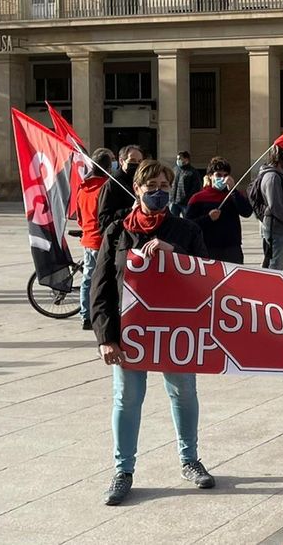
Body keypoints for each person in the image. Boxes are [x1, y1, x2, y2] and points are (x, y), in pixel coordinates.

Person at [90, 160, 215, 506]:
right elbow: (100, 287)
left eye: (164, 185)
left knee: (184, 392)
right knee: (127, 399)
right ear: (138, 189)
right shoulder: (117, 231)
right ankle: (123, 471)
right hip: (129, 333)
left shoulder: (185, 230)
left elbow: (206, 275)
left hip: (174, 330)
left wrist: (174, 255)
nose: (158, 192)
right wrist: (105, 337)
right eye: (151, 186)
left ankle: (190, 461)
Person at [73, 148, 116, 326]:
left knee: (88, 279)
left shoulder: (83, 188)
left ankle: (86, 315)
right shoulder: (106, 188)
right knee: (105, 279)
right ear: (107, 167)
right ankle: (102, 313)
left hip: (88, 239)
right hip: (102, 239)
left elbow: (79, 218)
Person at [185, 157, 252, 265]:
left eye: (225, 175)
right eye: (218, 175)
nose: (223, 178)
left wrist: (233, 190)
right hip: (208, 248)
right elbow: (188, 225)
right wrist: (208, 219)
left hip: (232, 248)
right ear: (210, 176)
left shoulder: (232, 196)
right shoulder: (197, 198)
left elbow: (247, 212)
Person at [252, 147, 283, 271]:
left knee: (276, 264)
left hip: (281, 228)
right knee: (275, 266)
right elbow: (275, 206)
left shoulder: (278, 175)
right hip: (278, 229)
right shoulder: (272, 177)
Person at [97, 144, 144, 233]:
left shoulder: (140, 182)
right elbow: (104, 218)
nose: (136, 164)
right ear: (122, 161)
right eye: (132, 160)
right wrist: (130, 210)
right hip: (119, 237)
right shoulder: (112, 183)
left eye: (139, 161)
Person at [170, 151, 202, 218]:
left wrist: (188, 199)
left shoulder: (193, 172)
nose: (178, 160)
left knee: (187, 219)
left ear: (186, 159)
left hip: (185, 203)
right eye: (177, 159)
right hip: (174, 201)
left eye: (180, 159)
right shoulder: (175, 170)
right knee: (172, 220)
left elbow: (196, 188)